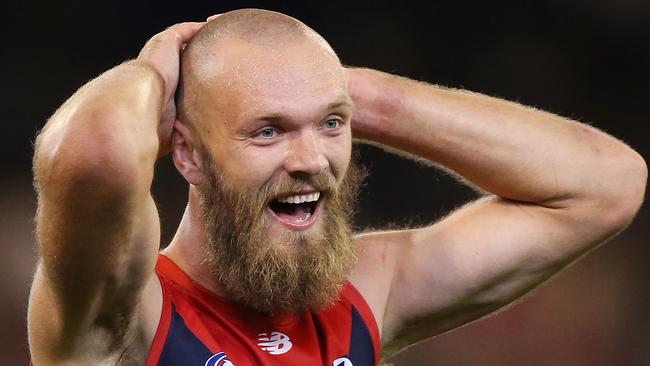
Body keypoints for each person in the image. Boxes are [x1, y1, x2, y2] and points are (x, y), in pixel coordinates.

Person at [28, 8, 646, 366]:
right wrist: (156, 72)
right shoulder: (124, 316)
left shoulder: (366, 292)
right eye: (267, 131)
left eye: (329, 125)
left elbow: (606, 183)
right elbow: (94, 155)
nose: (310, 160)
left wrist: (362, 98)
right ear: (184, 151)